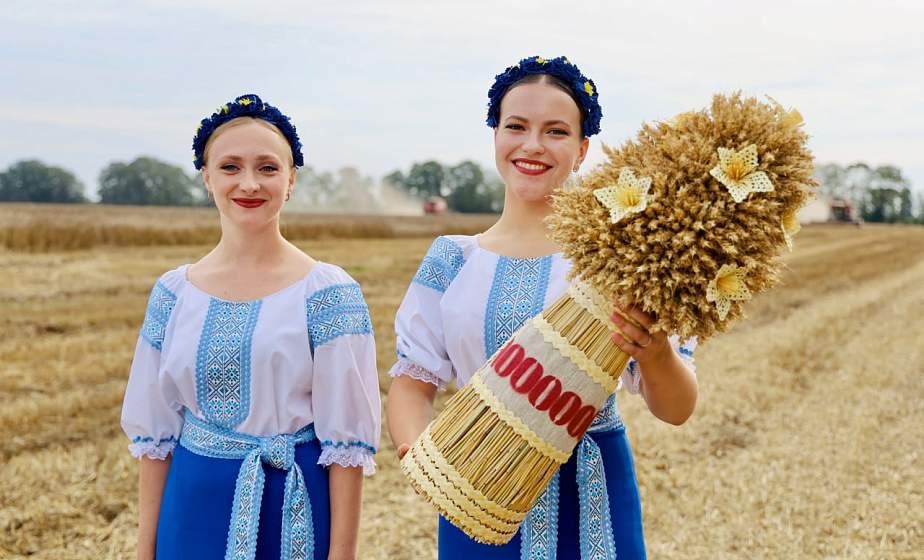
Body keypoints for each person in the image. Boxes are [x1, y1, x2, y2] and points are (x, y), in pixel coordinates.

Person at [385, 56, 698, 559]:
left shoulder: (623, 261)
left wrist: (658, 354)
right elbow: (413, 381)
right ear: (495, 137)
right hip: (475, 485)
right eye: (516, 127)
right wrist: (419, 450)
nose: (532, 145)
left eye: (555, 131)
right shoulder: (451, 259)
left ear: (581, 150)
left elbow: (678, 409)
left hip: (592, 491)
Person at [120, 94, 380, 560]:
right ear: (205, 176)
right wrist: (145, 549)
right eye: (230, 167)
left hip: (292, 505)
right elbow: (156, 441)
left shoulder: (327, 293)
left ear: (291, 179)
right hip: (190, 507)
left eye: (267, 168)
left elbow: (346, 446)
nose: (249, 183)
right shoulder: (173, 293)